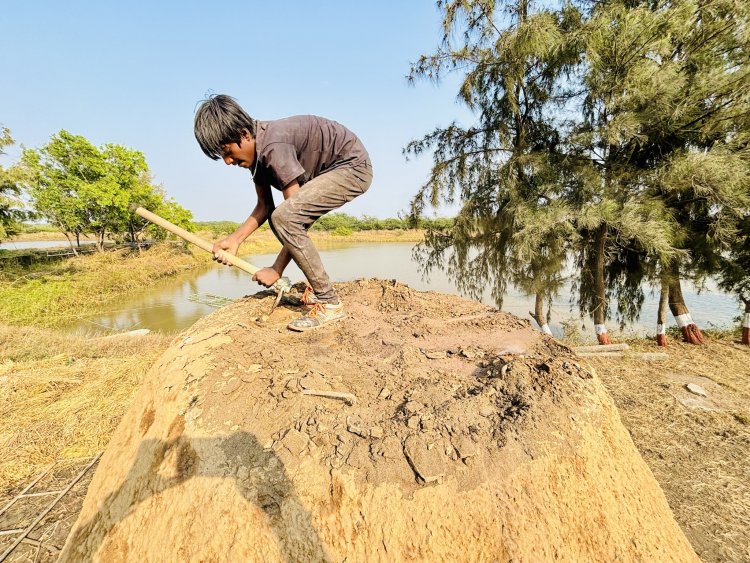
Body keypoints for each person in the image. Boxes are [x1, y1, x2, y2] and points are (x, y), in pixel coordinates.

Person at [194, 94, 373, 331]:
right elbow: (264, 206)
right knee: (281, 217)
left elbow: (292, 218)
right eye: (222, 156)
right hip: (329, 171)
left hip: (352, 167)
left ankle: (330, 304)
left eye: (227, 151)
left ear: (244, 135)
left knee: (285, 218)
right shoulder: (258, 158)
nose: (227, 161)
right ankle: (317, 290)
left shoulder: (273, 147)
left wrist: (276, 269)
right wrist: (234, 240)